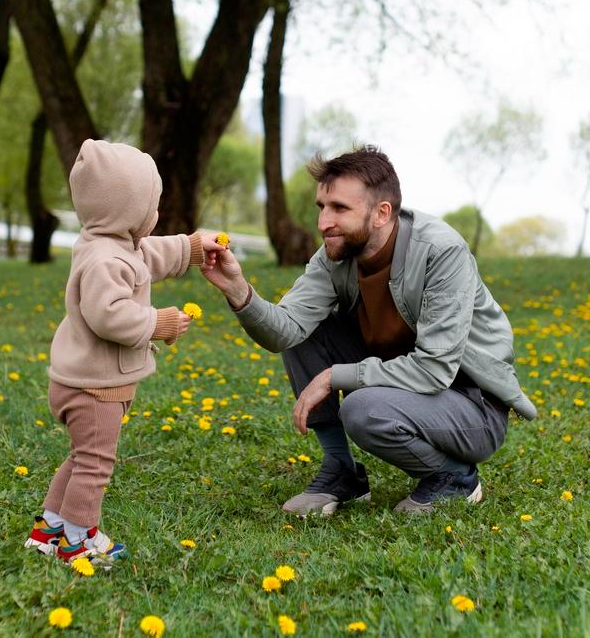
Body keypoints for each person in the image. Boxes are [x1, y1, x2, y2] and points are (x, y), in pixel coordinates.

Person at [200, 146, 536, 515]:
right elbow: (286, 331)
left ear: (381, 213)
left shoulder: (442, 251)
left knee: (362, 410)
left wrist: (334, 376)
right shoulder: (337, 253)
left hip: (471, 406)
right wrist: (237, 289)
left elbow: (435, 369)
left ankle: (456, 478)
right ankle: (342, 472)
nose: (324, 222)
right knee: (307, 333)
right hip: (403, 386)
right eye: (321, 207)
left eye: (340, 209)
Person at [23, 139, 225, 565]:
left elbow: (150, 253)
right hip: (94, 388)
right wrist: (158, 323)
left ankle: (49, 530)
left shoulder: (110, 243)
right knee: (95, 466)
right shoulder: (103, 260)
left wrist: (191, 246)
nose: (155, 215)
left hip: (81, 380)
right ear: (126, 209)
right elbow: (107, 315)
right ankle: (78, 542)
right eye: (151, 205)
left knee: (82, 458)